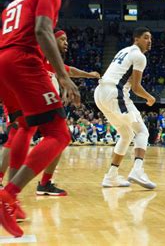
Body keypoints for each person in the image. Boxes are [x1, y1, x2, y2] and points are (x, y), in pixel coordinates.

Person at [0, 0, 80, 237]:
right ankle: (8, 195)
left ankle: (11, 201)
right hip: (23, 60)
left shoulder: (14, 3)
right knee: (59, 133)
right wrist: (62, 76)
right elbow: (43, 31)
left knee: (23, 126)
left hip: (4, 63)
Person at [0, 29, 100, 196]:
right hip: (23, 100)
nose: (66, 43)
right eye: (62, 39)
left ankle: (44, 183)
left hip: (40, 104)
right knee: (20, 135)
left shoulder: (48, 60)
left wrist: (89, 75)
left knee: (59, 136)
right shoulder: (36, 53)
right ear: (50, 40)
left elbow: (70, 71)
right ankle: (9, 186)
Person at [95, 27, 156, 189]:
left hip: (100, 93)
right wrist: (149, 97)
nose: (149, 41)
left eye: (150, 38)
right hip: (114, 93)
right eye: (145, 37)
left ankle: (111, 176)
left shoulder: (125, 51)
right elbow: (136, 88)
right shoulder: (139, 56)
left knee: (126, 134)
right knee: (142, 131)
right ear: (136, 39)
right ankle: (137, 170)